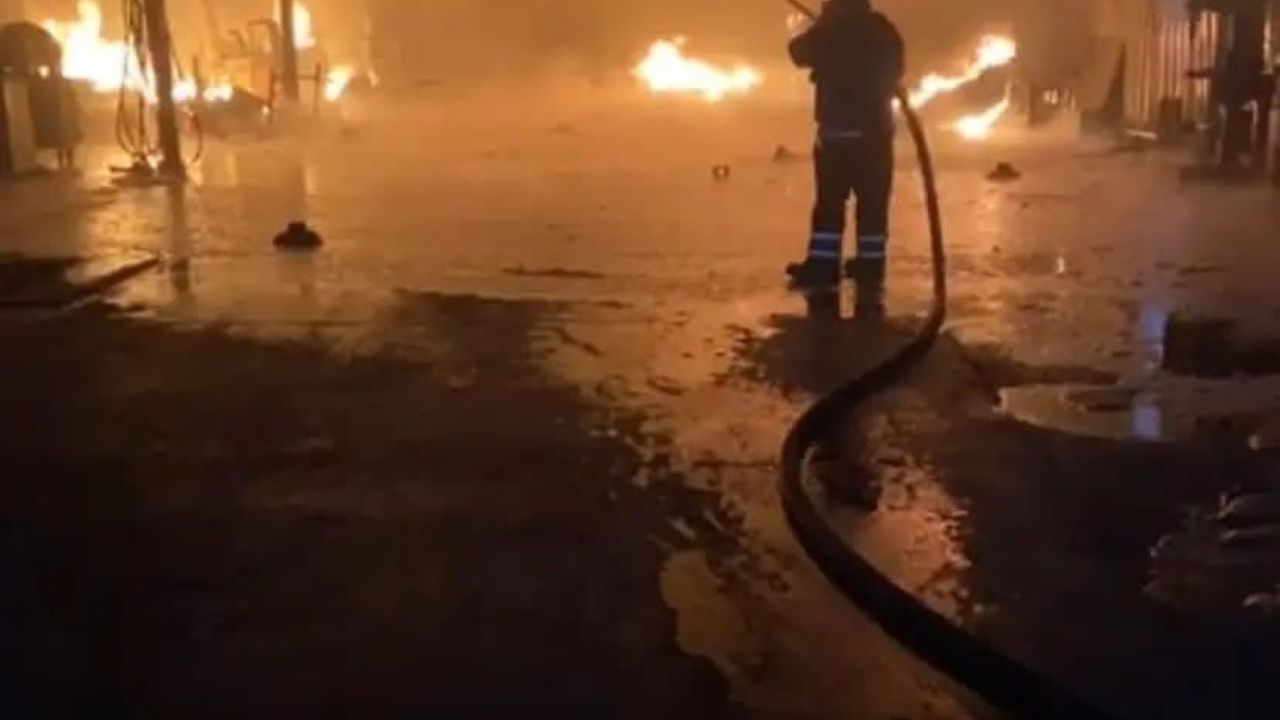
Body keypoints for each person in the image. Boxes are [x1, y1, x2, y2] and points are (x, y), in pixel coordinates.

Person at [786, 0, 904, 288]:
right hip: (876, 135)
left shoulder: (829, 31)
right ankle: (871, 266)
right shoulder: (881, 29)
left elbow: (797, 52)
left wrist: (820, 29)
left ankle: (824, 266)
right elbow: (897, 67)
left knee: (829, 204)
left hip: (837, 136)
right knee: (873, 205)